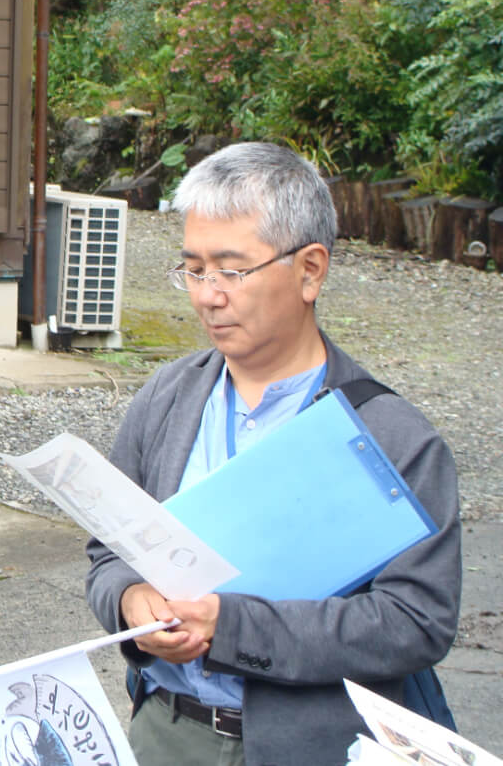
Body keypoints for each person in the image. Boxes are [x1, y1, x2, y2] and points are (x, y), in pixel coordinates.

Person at [85, 142, 461, 766]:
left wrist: (231, 628)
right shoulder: (167, 398)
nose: (207, 296)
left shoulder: (392, 438)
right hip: (166, 734)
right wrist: (129, 600)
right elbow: (107, 551)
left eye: (231, 271)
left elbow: (415, 622)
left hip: (311, 749)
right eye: (193, 269)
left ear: (310, 270)